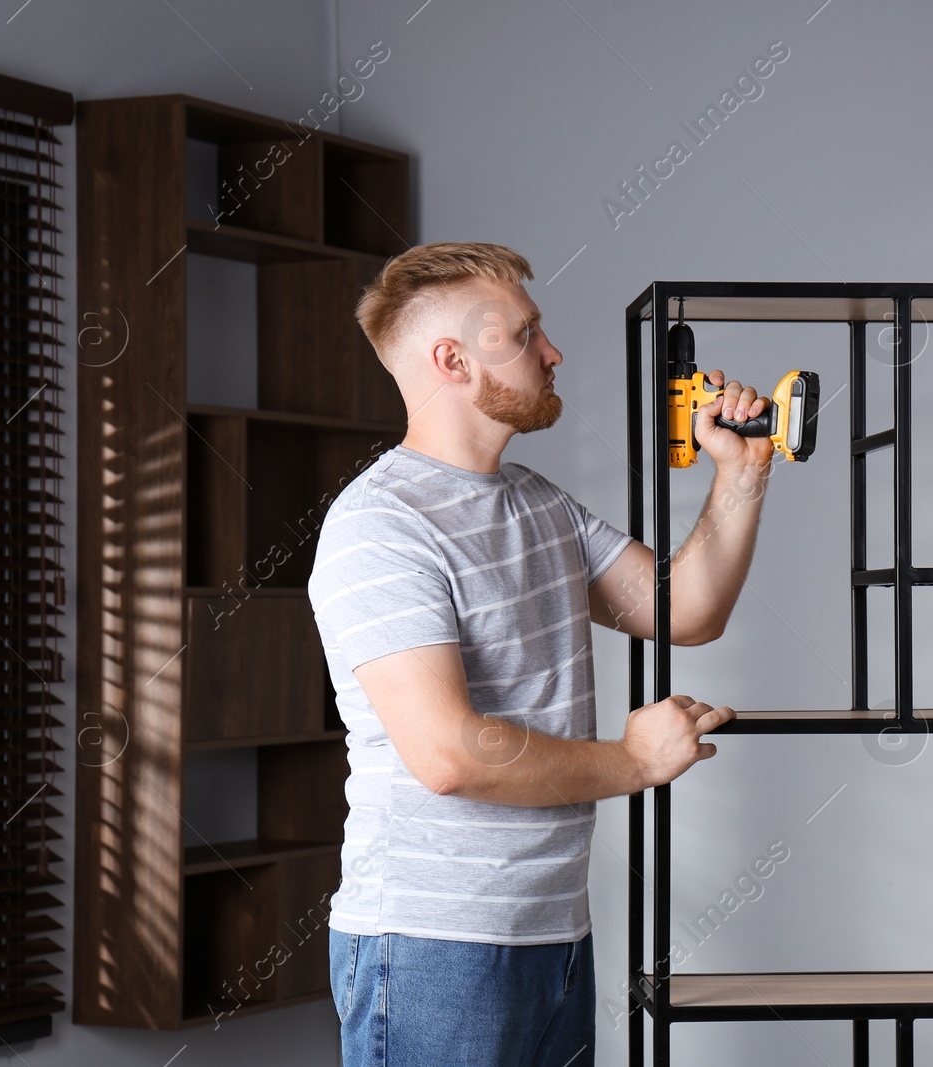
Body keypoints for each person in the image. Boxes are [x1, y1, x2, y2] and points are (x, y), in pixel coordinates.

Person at [307, 242, 775, 1066]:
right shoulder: (380, 524)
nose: (553, 352)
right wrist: (633, 760)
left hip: (552, 932)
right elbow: (449, 754)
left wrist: (740, 474)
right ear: (451, 359)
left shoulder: (538, 503)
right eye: (526, 335)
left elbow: (686, 609)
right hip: (431, 944)